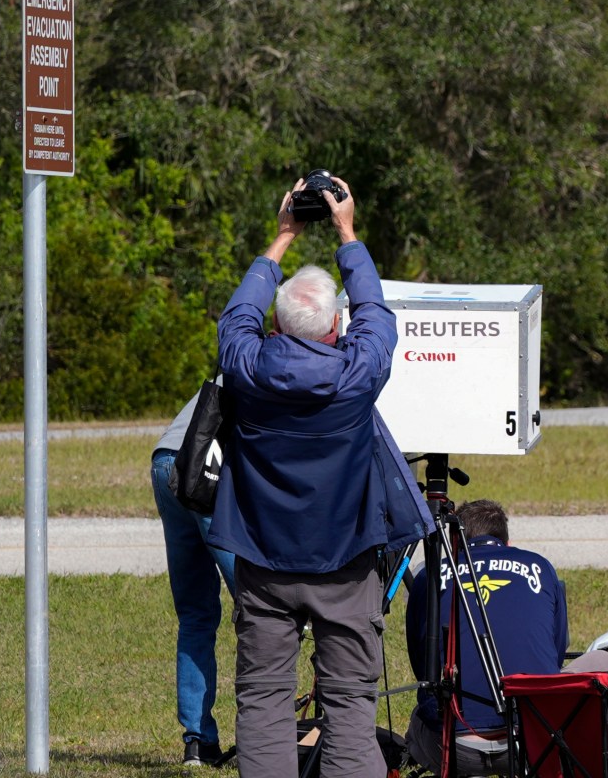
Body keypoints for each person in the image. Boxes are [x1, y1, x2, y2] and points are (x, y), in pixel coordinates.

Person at [212, 176, 430, 778]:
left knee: (262, 700)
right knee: (350, 704)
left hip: (264, 561)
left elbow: (237, 317)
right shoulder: (355, 377)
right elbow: (378, 318)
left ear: (276, 330)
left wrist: (283, 237)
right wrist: (347, 233)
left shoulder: (248, 370)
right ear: (335, 326)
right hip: (344, 563)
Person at [402, 499, 594, 776]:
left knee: (418, 721)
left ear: (457, 540)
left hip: (454, 746)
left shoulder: (429, 576)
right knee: (606, 659)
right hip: (534, 740)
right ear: (506, 541)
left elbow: (423, 665)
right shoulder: (540, 566)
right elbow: (557, 650)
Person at [152, 390, 238, 767]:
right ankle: (263, 736)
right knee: (262, 612)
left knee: (196, 614)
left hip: (166, 458)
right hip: (204, 464)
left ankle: (198, 743)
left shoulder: (247, 351)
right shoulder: (289, 364)